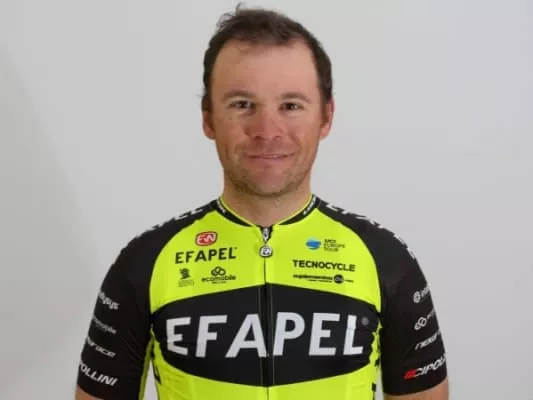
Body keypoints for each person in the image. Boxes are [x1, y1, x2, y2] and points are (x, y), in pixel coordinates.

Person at [75, 5, 449, 400]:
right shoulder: (145, 263)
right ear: (208, 118)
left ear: (326, 117)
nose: (267, 131)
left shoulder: (386, 260)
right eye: (242, 104)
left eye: (291, 106)